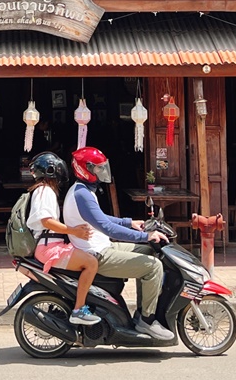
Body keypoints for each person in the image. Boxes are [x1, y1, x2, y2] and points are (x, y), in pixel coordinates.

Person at [61, 146, 174, 341]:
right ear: (84, 169)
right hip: (97, 253)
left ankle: (144, 309)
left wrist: (129, 222)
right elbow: (107, 228)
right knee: (153, 266)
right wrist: (145, 236)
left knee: (150, 251)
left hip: (103, 246)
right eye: (97, 168)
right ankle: (147, 320)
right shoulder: (82, 194)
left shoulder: (83, 191)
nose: (101, 172)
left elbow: (101, 218)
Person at [24, 152, 101, 326]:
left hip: (50, 245)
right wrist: (73, 231)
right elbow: (46, 221)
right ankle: (78, 310)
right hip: (49, 249)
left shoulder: (43, 190)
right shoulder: (44, 191)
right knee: (91, 263)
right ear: (52, 170)